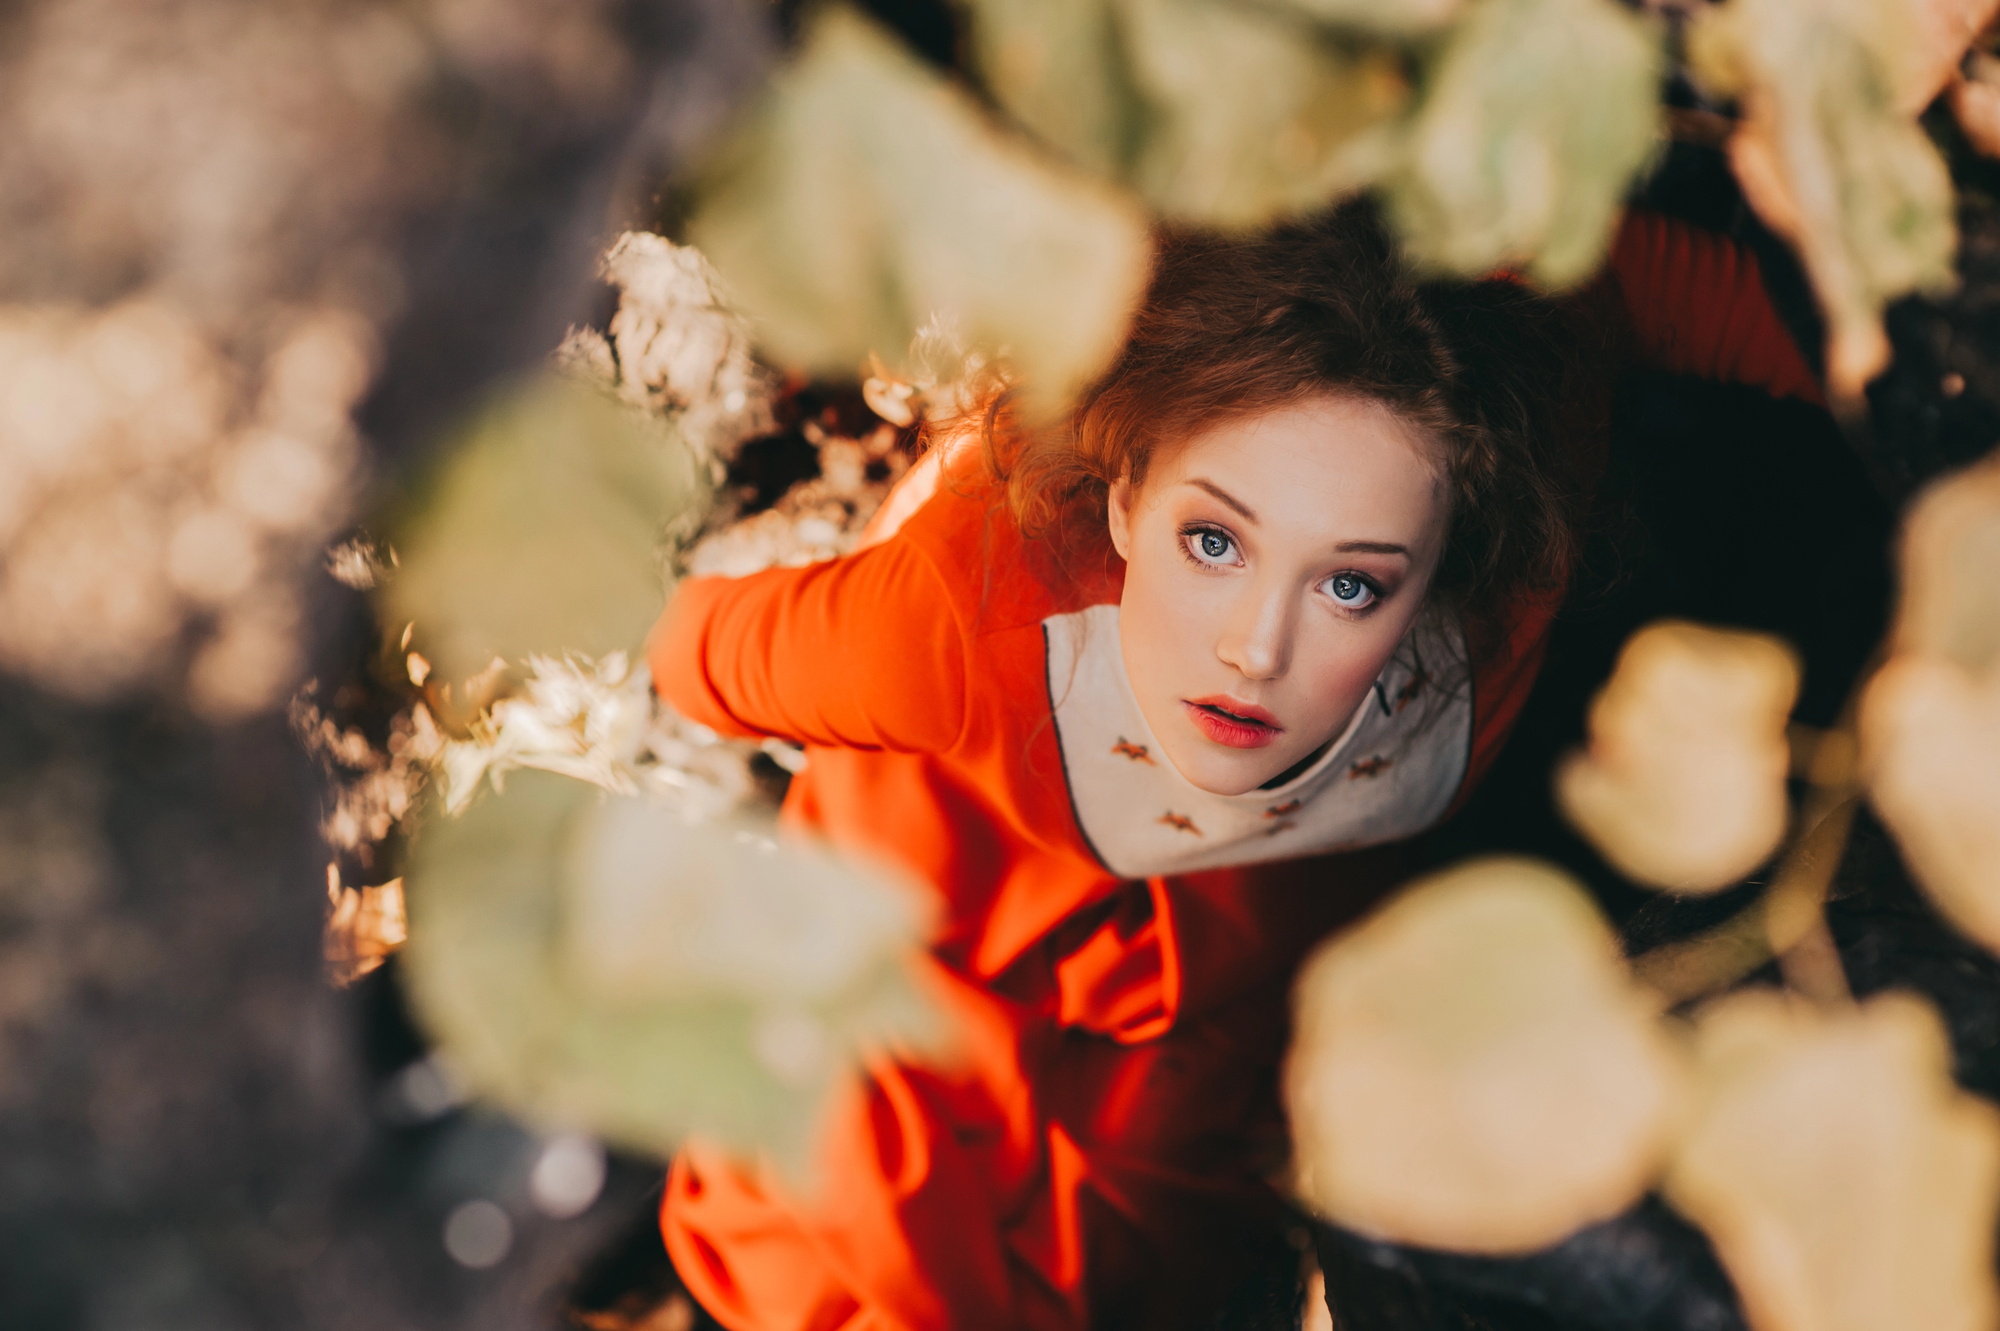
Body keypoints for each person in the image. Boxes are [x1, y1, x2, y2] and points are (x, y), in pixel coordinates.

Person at [644, 200, 1823, 1331]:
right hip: (953, 905)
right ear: (1122, 501)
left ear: (1456, 547)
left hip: (1237, 965)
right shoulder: (965, 621)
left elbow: (1810, 317)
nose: (1253, 651)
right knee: (850, 1226)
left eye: (1351, 583)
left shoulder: (1511, 528)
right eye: (1212, 541)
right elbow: (699, 654)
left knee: (1158, 1247)